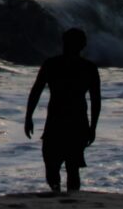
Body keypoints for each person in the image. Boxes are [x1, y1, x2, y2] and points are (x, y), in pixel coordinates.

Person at [23, 26, 102, 193]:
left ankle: (66, 197)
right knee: (57, 164)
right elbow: (36, 90)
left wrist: (93, 127)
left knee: (66, 166)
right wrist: (28, 117)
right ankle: (61, 193)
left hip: (70, 122)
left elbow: (96, 100)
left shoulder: (84, 68)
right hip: (64, 122)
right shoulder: (54, 65)